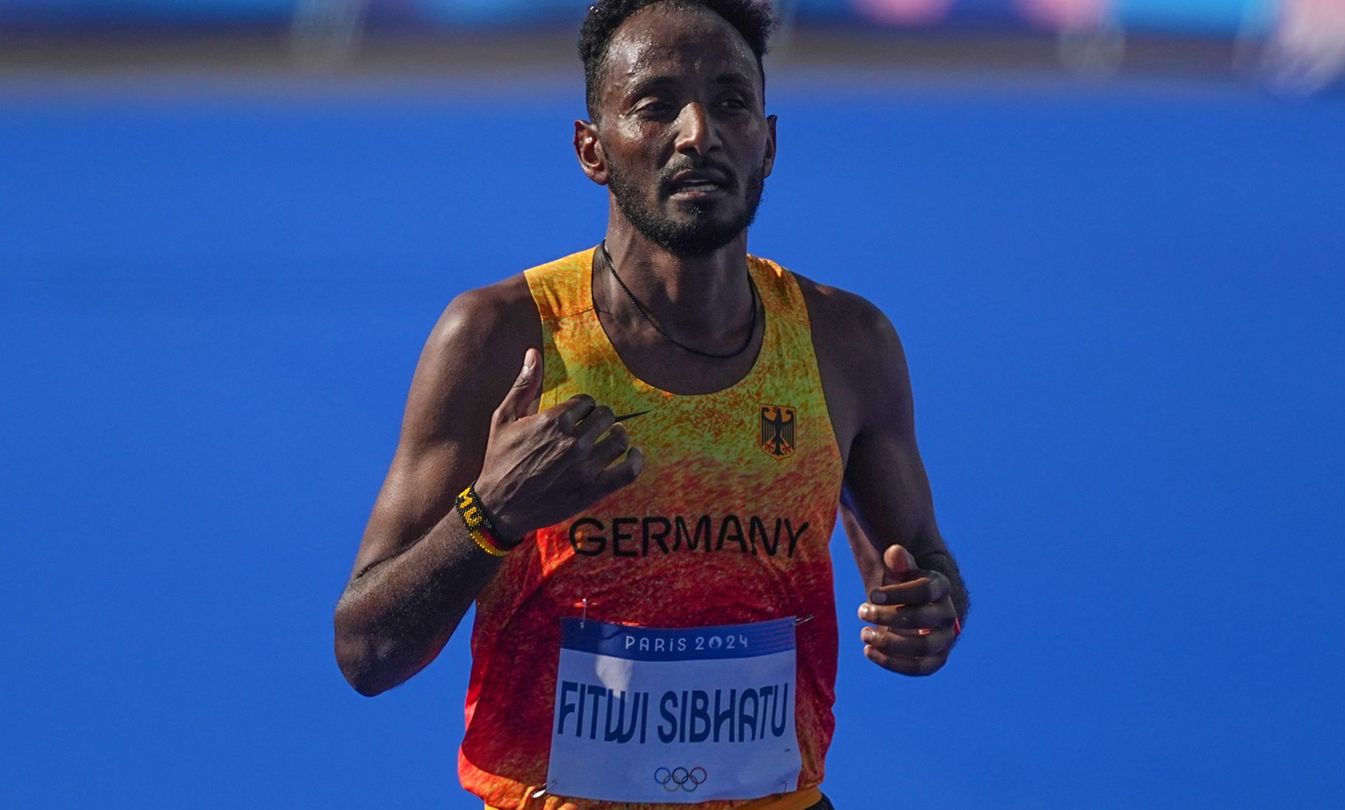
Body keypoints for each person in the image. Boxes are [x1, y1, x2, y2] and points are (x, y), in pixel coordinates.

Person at [332, 1, 969, 807]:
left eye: (731, 102)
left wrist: (929, 612)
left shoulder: (848, 345)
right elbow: (366, 651)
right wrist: (489, 515)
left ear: (767, 143)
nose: (698, 131)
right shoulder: (499, 339)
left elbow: (923, 567)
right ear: (591, 150)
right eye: (656, 104)